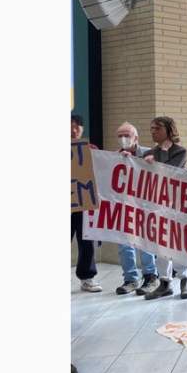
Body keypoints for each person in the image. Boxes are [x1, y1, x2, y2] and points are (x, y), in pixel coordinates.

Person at [141, 116, 187, 300]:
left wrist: (156, 160)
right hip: (156, 204)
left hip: (175, 204)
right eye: (151, 128)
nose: (153, 132)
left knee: (177, 242)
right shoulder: (150, 152)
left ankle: (184, 279)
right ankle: (164, 282)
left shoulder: (180, 151)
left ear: (169, 130)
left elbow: (170, 170)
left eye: (157, 128)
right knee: (160, 245)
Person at [112, 122, 161, 296]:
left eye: (127, 135)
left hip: (145, 207)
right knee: (125, 244)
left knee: (145, 243)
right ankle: (130, 279)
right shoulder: (113, 157)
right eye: (120, 136)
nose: (123, 139)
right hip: (124, 206)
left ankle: (150, 277)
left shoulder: (149, 153)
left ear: (136, 138)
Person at [71, 114, 100, 292]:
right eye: (69, 126)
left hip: (84, 204)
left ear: (82, 129)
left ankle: (87, 277)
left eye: (77, 126)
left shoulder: (91, 149)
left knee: (87, 241)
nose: (73, 130)